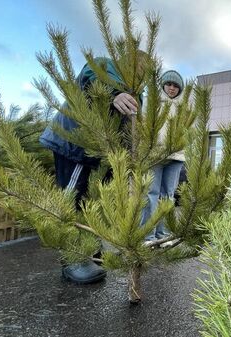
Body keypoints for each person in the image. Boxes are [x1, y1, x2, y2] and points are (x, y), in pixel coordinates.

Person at [40, 56, 146, 284]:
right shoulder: (104, 65)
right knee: (74, 201)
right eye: (138, 68)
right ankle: (72, 260)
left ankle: (92, 253)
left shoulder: (139, 92)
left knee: (97, 202)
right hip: (77, 145)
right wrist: (113, 94)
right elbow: (89, 78)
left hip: (103, 153)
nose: (141, 74)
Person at [140, 70, 185, 240]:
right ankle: (148, 236)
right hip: (154, 155)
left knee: (168, 196)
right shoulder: (152, 102)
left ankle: (163, 234)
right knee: (151, 194)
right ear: (163, 85)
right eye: (169, 84)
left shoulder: (184, 106)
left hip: (176, 156)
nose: (172, 88)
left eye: (175, 86)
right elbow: (144, 125)